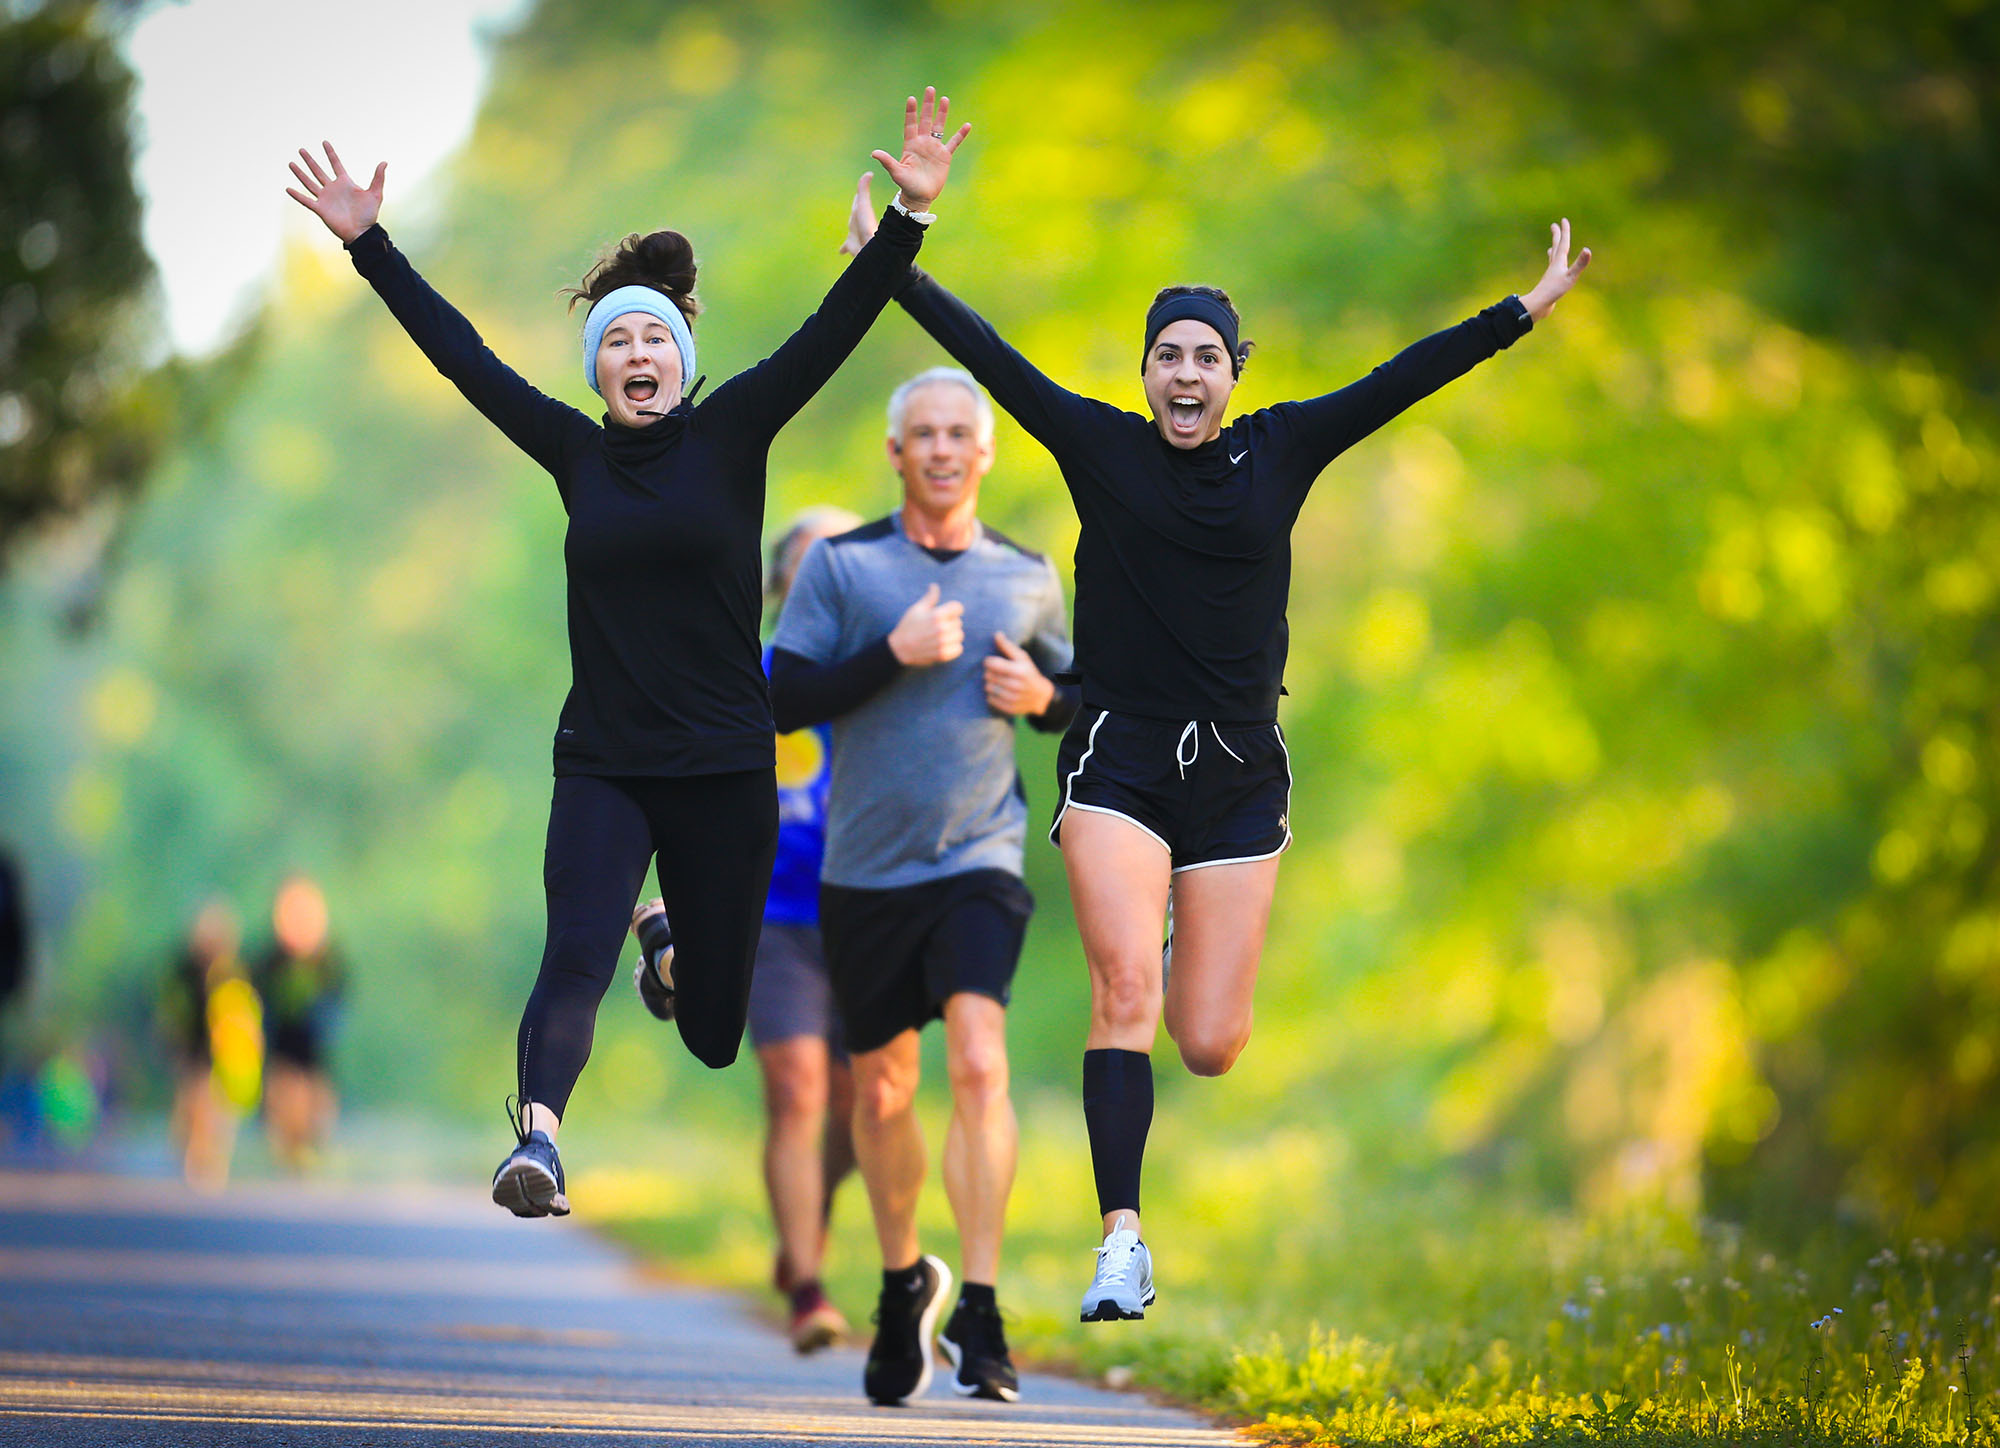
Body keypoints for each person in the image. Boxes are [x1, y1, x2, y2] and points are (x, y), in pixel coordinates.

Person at [843, 176, 1591, 1322]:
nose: (1184, 375)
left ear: (1233, 371)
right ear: (1141, 373)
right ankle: (1120, 1240)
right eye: (1165, 356)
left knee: (1207, 1041)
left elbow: (1399, 379)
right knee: (1123, 988)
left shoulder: (1283, 448)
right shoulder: (1098, 445)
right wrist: (899, 244)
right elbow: (984, 353)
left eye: (1204, 357)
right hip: (1118, 759)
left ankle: (1192, 915)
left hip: (1240, 770)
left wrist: (1522, 309)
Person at [283, 88, 969, 1217]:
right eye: (618, 342)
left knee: (709, 1029)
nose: (637, 353)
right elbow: (462, 356)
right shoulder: (570, 451)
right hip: (602, 757)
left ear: (682, 357)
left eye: (656, 337)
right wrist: (370, 247)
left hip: (725, 764)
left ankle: (671, 945)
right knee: (570, 956)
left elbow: (835, 328)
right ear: (599, 369)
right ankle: (539, 1142)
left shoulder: (736, 428)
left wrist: (909, 220)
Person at [769, 366, 1077, 1404]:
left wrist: (1044, 695)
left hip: (978, 859)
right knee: (886, 1089)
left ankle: (981, 1311)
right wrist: (888, 656)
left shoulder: (1027, 574)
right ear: (895, 454)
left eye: (959, 433)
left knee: (982, 1061)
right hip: (862, 873)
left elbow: (1070, 697)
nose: (942, 449)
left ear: (984, 454)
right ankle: (903, 1277)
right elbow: (780, 697)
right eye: (922, 435)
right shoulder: (844, 571)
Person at [631, 505, 862, 1353]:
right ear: (778, 587)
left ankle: (810, 1218)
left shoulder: (889, 674)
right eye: (809, 566)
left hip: (868, 912)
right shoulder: (745, 679)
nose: (826, 580)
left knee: (862, 1108)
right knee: (797, 1087)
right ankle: (806, 1283)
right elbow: (685, 789)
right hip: (771, 918)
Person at [159, 900, 263, 1192]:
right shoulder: (182, 971)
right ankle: (193, 1162)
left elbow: (247, 1015)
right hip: (192, 1051)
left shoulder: (235, 973)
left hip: (223, 1058)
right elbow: (170, 1010)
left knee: (216, 1112)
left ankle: (211, 1169)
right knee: (190, 1111)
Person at [252, 873, 346, 1171]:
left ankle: (308, 1154)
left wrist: (326, 1021)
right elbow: (254, 1000)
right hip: (281, 1053)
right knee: (286, 1107)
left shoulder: (327, 959)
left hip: (314, 1055)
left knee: (315, 1115)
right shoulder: (269, 960)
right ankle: (289, 1157)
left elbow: (338, 999)